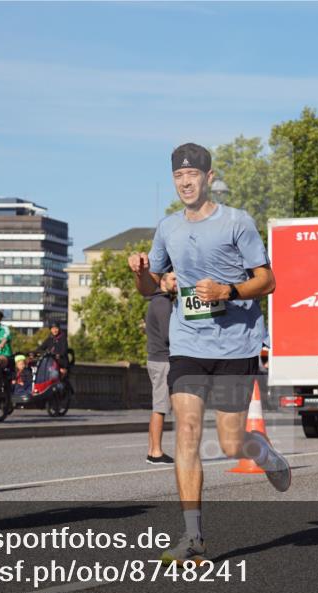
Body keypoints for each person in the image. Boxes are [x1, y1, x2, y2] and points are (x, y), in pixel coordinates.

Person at [128, 142, 290, 566]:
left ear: (209, 177)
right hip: (188, 344)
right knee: (186, 432)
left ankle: (267, 454)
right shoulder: (168, 228)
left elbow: (268, 280)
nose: (185, 182)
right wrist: (144, 274)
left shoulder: (237, 222)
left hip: (236, 343)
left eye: (193, 175)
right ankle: (194, 537)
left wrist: (227, 290)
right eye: (179, 176)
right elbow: (152, 287)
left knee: (232, 441)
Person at [144, 271, 176, 466]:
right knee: (160, 406)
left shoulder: (158, 301)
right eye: (173, 278)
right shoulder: (163, 303)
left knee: (160, 405)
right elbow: (168, 335)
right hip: (163, 360)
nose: (177, 282)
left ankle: (153, 450)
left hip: (157, 359)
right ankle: (155, 451)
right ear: (163, 281)